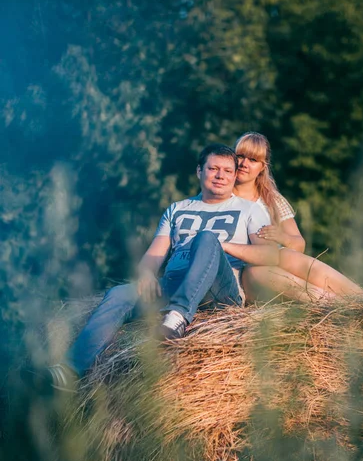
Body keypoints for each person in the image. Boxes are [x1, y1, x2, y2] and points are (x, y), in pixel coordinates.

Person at [44, 143, 279, 389]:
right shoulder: (177, 209)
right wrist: (146, 274)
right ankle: (70, 370)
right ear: (200, 171)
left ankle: (177, 317)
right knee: (119, 293)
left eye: (228, 171)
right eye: (213, 168)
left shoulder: (250, 209)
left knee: (206, 237)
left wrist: (224, 246)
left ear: (234, 175)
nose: (220, 176)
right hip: (171, 283)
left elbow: (268, 255)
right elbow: (156, 252)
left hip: (219, 289)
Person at [232, 132, 363, 303]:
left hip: (272, 266)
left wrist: (281, 236)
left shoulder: (271, 199)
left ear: (262, 167)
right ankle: (337, 305)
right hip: (244, 276)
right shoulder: (221, 195)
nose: (244, 164)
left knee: (285, 254)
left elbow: (299, 245)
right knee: (256, 271)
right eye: (240, 156)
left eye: (253, 160)